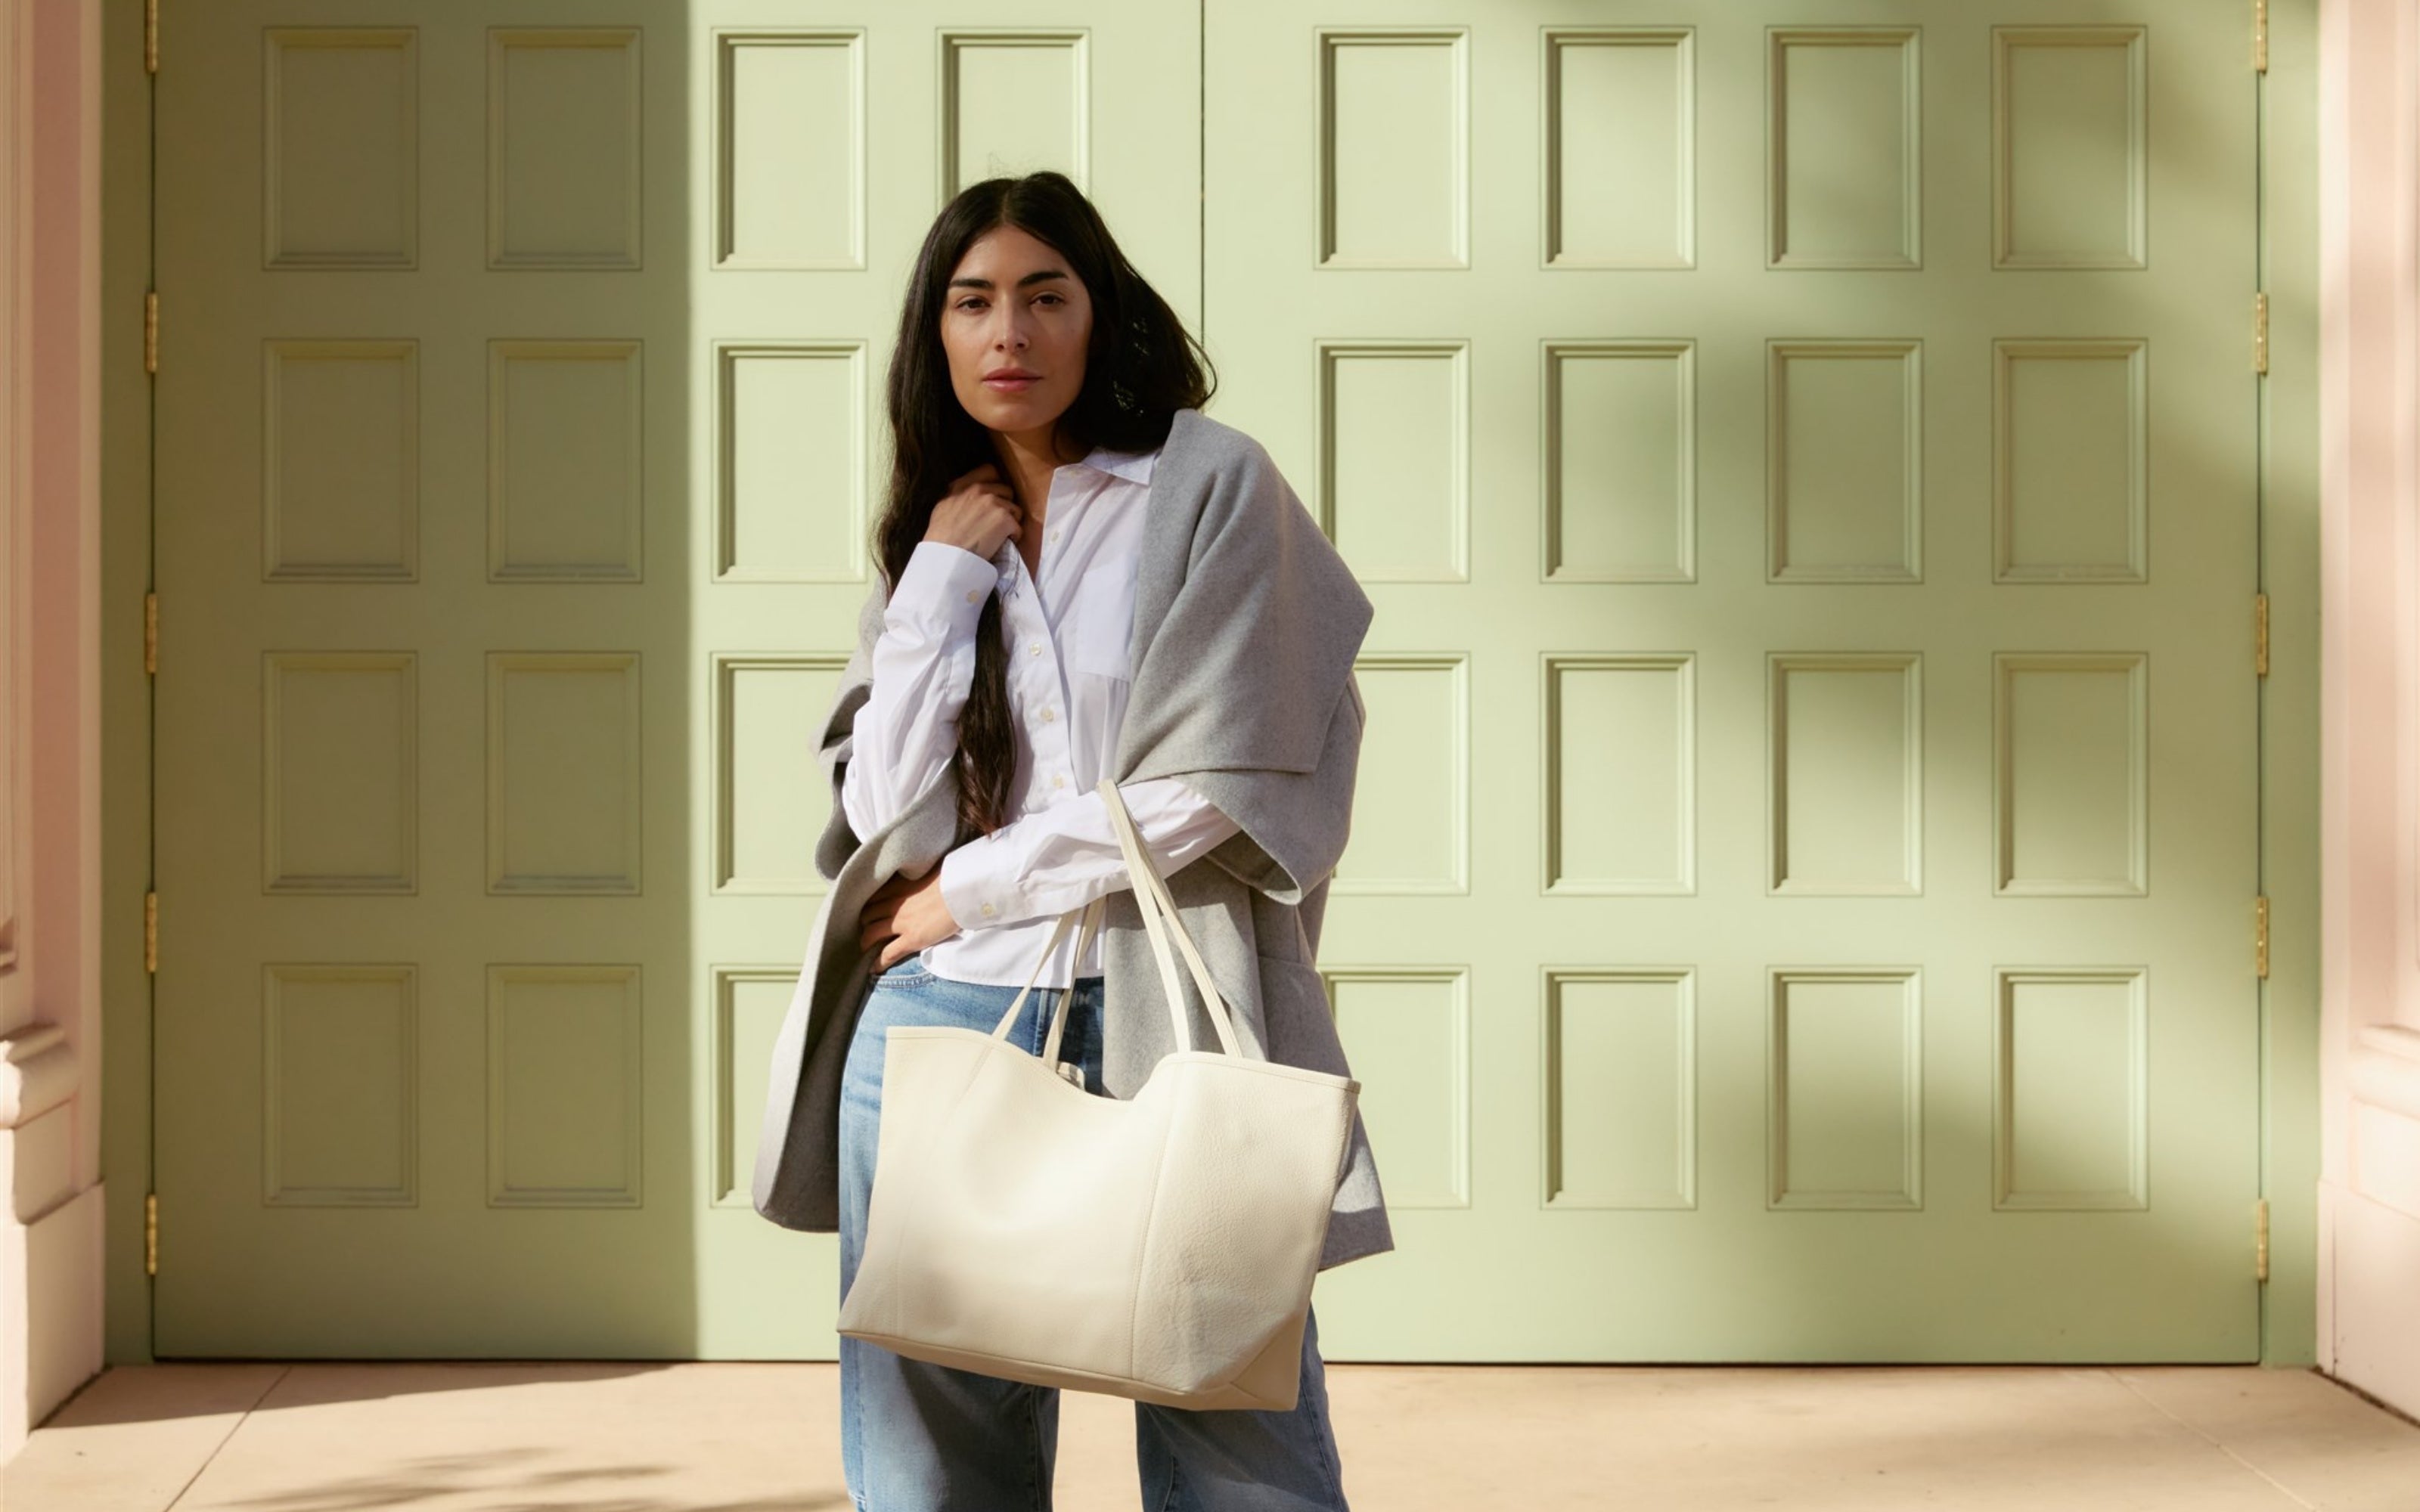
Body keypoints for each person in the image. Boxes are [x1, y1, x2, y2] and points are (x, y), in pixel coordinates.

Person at [831, 171, 1358, 1510]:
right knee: (930, 1469)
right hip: (943, 1025)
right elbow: (886, 815)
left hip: (1163, 1007)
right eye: (972, 301)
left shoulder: (1211, 489)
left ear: (1098, 314)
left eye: (1043, 296)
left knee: (1241, 1444)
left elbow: (1225, 782)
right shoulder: (936, 533)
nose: (1008, 331)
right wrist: (941, 586)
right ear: (936, 336)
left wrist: (976, 885)